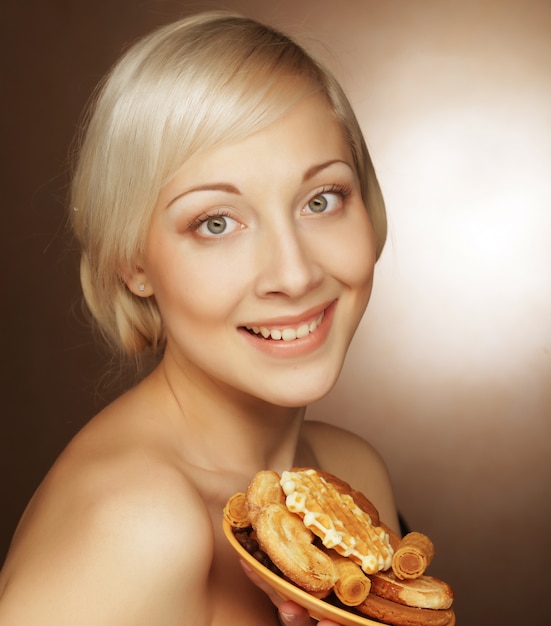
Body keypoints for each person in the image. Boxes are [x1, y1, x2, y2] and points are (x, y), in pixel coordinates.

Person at [0, 11, 400, 625]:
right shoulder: (136, 526)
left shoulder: (351, 472)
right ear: (133, 260)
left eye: (322, 200)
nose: (293, 275)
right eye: (216, 222)